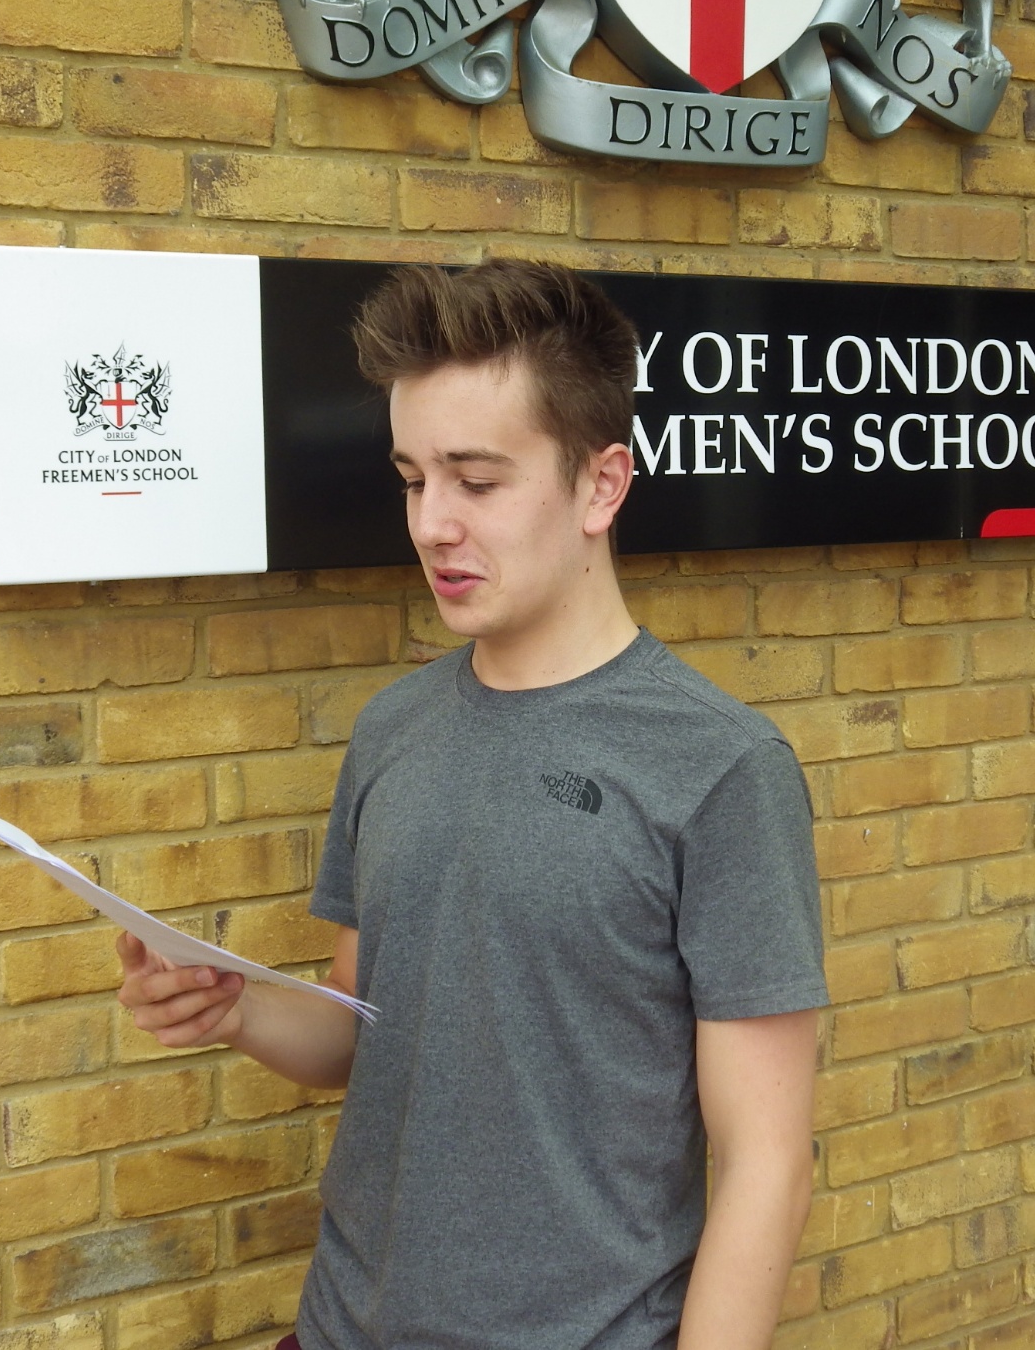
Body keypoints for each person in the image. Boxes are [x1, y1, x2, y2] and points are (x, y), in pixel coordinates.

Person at [116, 260, 828, 1350]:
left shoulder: (719, 769)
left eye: (475, 481)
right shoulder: (393, 731)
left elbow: (768, 1160)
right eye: (412, 478)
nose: (431, 524)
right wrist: (234, 1007)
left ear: (600, 485)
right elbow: (360, 1029)